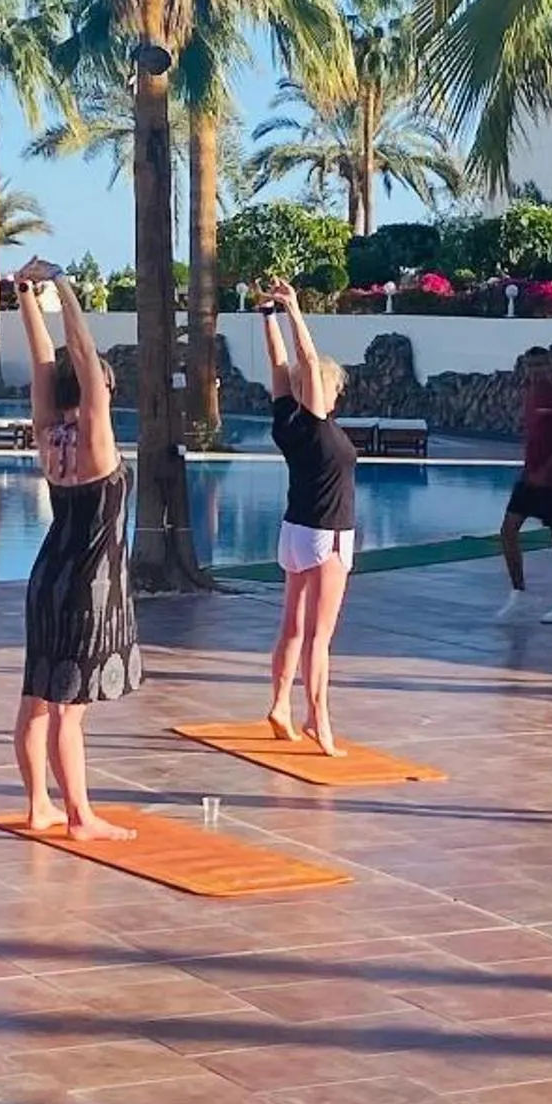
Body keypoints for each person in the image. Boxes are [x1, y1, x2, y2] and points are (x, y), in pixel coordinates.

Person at [13, 264, 139, 840]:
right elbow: (80, 363)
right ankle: (79, 816)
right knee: (68, 709)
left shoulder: (49, 435)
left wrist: (26, 301)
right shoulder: (95, 438)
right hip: (88, 586)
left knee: (37, 696)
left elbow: (45, 368)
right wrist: (61, 288)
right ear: (97, 393)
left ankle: (39, 804)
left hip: (47, 577)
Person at [256, 282, 358, 752]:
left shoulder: (285, 417)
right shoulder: (317, 424)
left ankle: (280, 704)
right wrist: (294, 308)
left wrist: (266, 315)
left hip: (295, 532)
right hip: (327, 535)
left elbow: (280, 366)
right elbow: (304, 361)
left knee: (292, 627)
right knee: (320, 636)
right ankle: (320, 720)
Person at [496, 346, 552, 624]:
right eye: (532, 366)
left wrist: (547, 470)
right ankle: (518, 593)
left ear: (551, 366)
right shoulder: (530, 396)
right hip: (529, 479)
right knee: (508, 530)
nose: (537, 371)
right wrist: (530, 471)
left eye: (542, 365)